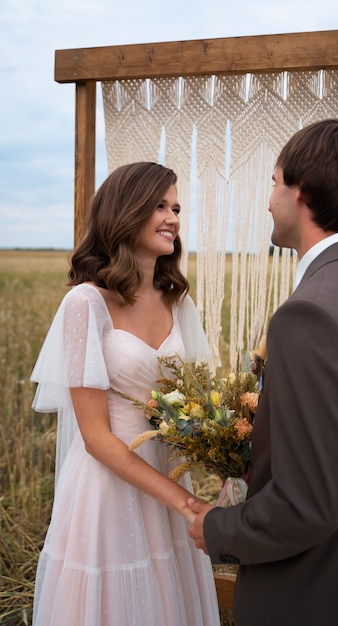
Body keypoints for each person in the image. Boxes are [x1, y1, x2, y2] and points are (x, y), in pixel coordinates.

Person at [189, 119, 338, 625]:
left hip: (317, 595)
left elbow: (307, 506)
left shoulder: (309, 313)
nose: (268, 199)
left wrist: (219, 529)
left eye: (273, 183)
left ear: (302, 192)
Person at [31, 162, 221, 626]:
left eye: (176, 207)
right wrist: (183, 502)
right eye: (159, 205)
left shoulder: (179, 300)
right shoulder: (86, 304)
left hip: (170, 472)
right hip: (109, 487)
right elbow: (95, 437)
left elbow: (202, 403)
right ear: (126, 211)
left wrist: (225, 451)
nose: (173, 217)